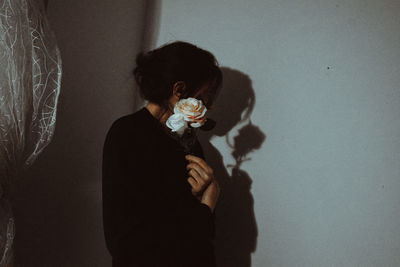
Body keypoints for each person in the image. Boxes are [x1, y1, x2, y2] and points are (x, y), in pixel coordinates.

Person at [102, 41, 223, 267]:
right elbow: (125, 242)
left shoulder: (189, 142)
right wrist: (206, 204)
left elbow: (199, 236)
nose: (211, 106)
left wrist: (198, 198)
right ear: (179, 90)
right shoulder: (127, 134)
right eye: (206, 95)